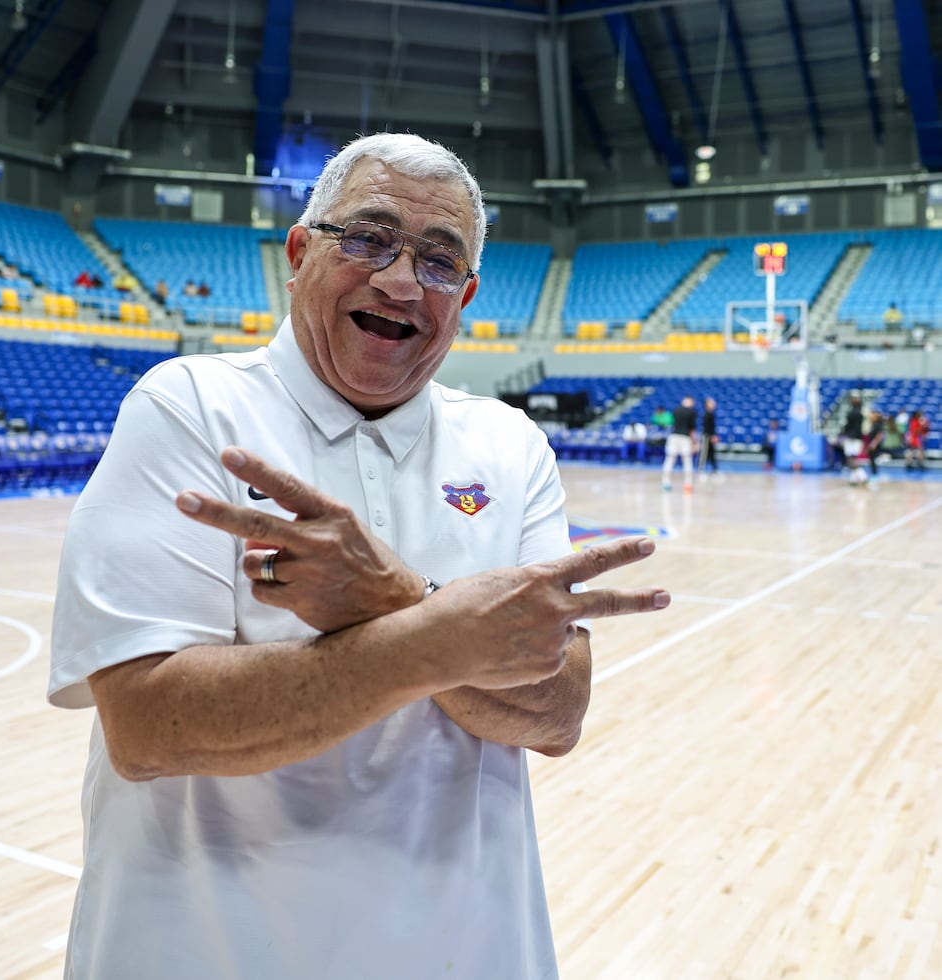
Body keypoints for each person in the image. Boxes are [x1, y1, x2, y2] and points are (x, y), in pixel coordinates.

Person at [47, 132, 671, 980]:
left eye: (440, 260)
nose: (401, 280)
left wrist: (391, 595)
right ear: (301, 251)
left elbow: (556, 712)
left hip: (467, 950)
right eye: (369, 239)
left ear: (468, 294)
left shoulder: (510, 446)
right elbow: (149, 725)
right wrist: (443, 631)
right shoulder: (191, 408)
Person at [662, 395, 698, 492]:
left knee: (669, 460)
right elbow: (692, 429)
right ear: (691, 401)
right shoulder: (692, 411)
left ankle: (665, 483)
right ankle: (688, 485)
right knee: (687, 461)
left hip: (673, 437)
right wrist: (694, 441)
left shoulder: (675, 410)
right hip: (685, 437)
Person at [840, 394, 865, 474]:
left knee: (850, 457)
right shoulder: (861, 414)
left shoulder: (850, 414)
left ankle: (861, 474)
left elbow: (848, 426)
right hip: (858, 437)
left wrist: (844, 431)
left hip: (851, 437)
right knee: (854, 457)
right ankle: (854, 477)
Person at [698, 395, 719, 478]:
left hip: (710, 436)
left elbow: (712, 427)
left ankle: (715, 469)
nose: (714, 403)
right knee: (704, 453)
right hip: (706, 437)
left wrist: (714, 435)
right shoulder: (706, 414)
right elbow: (707, 427)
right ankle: (701, 469)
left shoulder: (712, 414)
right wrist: (712, 436)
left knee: (712, 453)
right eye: (711, 402)